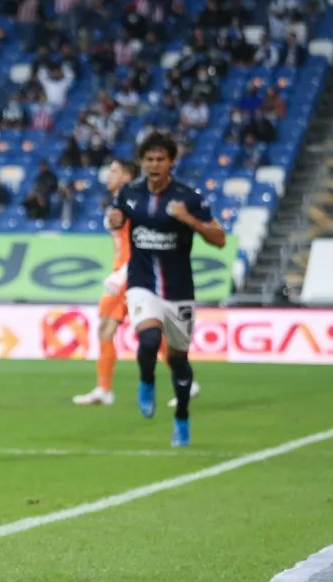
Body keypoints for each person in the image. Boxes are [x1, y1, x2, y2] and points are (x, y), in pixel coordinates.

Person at [106, 132, 226, 447]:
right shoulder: (129, 194)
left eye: (161, 159)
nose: (155, 164)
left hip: (179, 289)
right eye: (149, 159)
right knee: (148, 338)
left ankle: (182, 416)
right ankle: (146, 381)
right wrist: (114, 220)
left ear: (171, 162)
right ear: (143, 162)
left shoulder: (189, 197)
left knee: (178, 359)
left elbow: (219, 238)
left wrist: (189, 220)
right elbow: (117, 221)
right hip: (142, 283)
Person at [72, 159, 202, 408]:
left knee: (134, 331)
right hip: (125, 273)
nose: (107, 175)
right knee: (114, 330)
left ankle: (108, 389)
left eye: (114, 171)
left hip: (130, 275)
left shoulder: (135, 204)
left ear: (127, 176)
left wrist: (122, 273)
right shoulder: (121, 202)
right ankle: (105, 389)